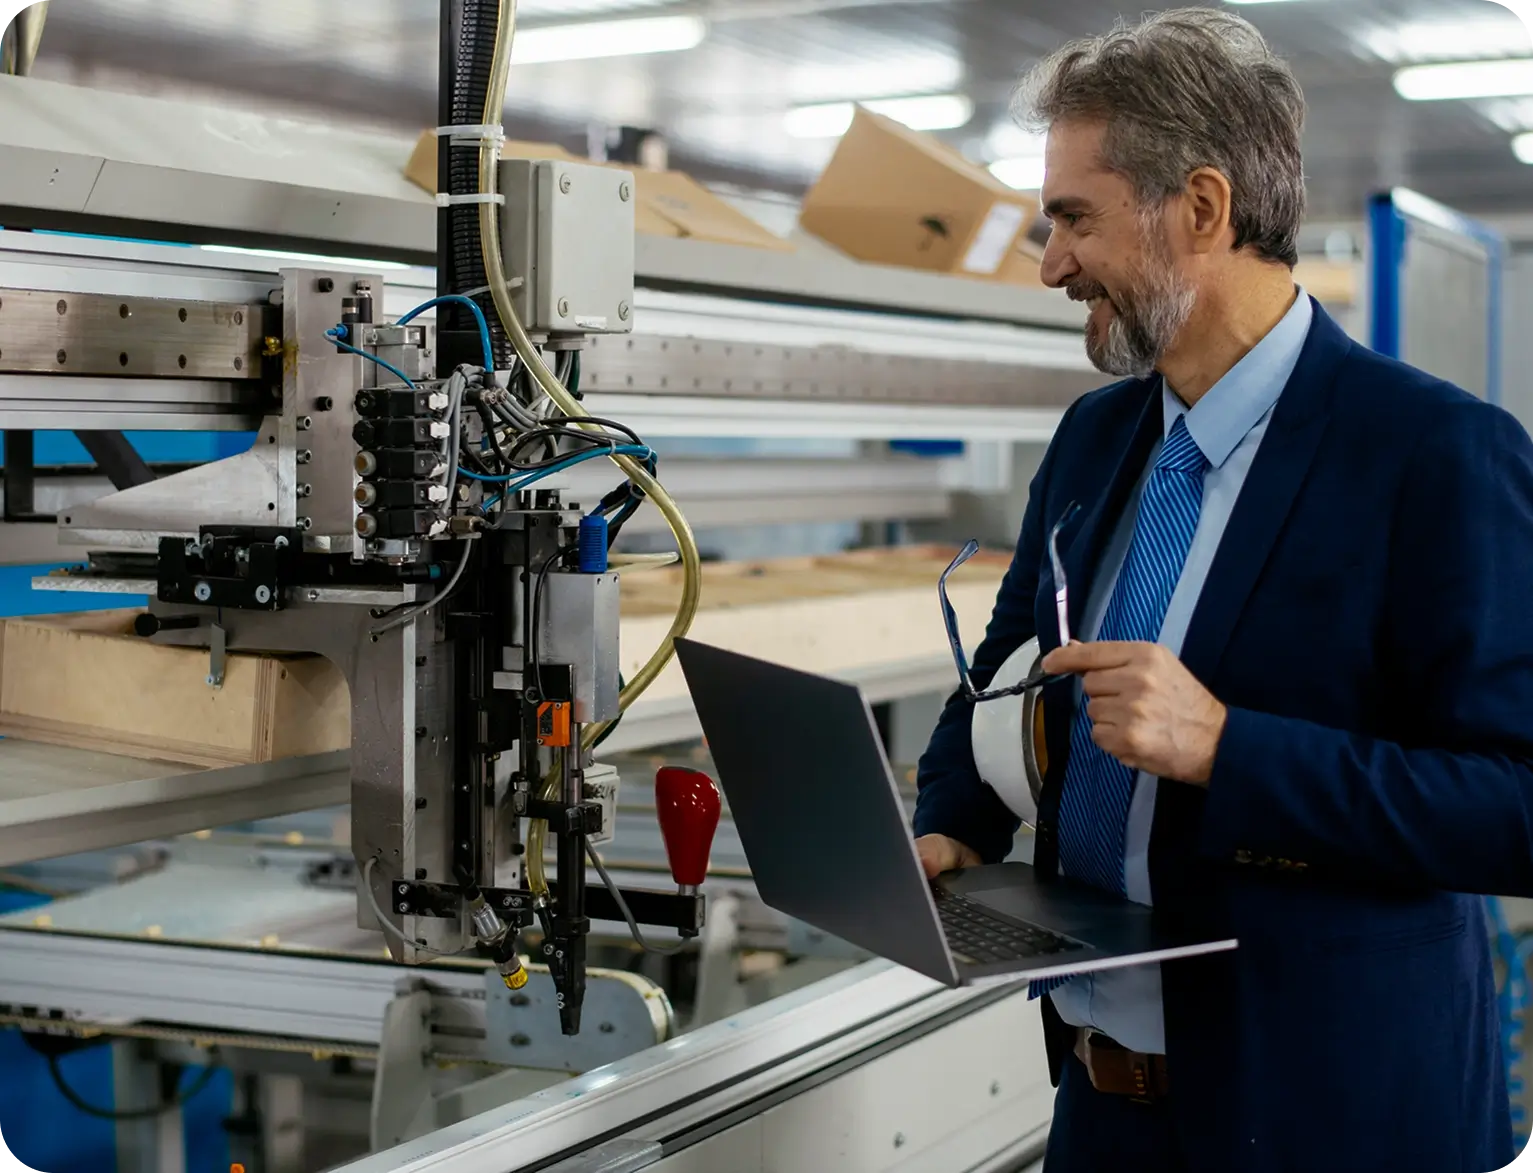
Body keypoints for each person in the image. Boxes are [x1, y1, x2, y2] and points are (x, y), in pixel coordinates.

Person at [912, 9, 1533, 1172]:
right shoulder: (1096, 439)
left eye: (1073, 219)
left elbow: (1518, 808)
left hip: (1333, 1118)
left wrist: (1227, 749)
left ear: (1201, 209)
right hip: (1104, 1111)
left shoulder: (1435, 455)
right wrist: (949, 824)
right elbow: (997, 680)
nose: (1051, 264)